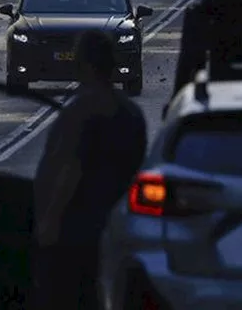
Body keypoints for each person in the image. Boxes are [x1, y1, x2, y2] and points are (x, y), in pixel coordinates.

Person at [31, 29, 148, 310]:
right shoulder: (132, 113)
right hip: (120, 225)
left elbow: (70, 169)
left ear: (85, 65)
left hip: (76, 229)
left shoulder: (81, 111)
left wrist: (50, 220)